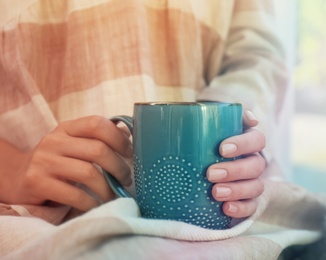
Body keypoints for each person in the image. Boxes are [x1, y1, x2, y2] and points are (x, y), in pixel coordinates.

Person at [0, 0, 287, 223]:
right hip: (37, 217)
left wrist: (232, 133)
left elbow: (256, 56)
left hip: (218, 215)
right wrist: (12, 169)